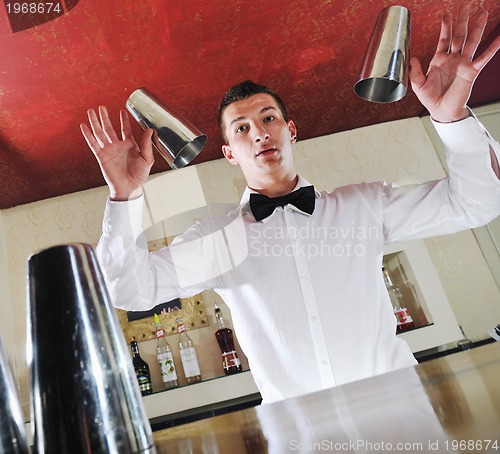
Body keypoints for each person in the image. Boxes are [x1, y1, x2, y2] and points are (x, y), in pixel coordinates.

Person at [81, 5, 500, 404]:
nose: (259, 133)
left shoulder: (365, 206)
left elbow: (476, 203)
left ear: (291, 130)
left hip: (401, 418)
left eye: (268, 118)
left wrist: (452, 119)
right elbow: (128, 290)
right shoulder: (216, 241)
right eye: (242, 128)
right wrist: (125, 197)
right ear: (230, 153)